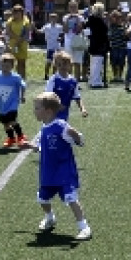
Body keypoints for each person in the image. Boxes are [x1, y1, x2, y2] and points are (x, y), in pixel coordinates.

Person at [30, 91, 92, 240]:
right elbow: (39, 145)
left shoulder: (60, 126)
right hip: (48, 172)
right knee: (42, 199)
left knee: (71, 198)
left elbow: (79, 140)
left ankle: (84, 227)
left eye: (37, 108)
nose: (35, 111)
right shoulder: (44, 128)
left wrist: (76, 135)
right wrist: (28, 145)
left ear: (48, 111)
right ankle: (50, 217)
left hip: (63, 171)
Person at [0, 53, 27, 148]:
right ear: (0, 65)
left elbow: (23, 86)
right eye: (3, 65)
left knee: (12, 120)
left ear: (12, 66)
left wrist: (22, 96)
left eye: (8, 66)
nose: (5, 67)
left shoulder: (16, 77)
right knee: (5, 123)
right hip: (2, 105)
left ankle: (21, 136)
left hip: (13, 104)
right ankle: (11, 138)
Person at [47, 50, 88, 120]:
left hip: (64, 115)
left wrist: (83, 109)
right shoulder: (53, 80)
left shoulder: (73, 81)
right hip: (51, 114)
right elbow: (48, 96)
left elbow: (77, 97)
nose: (62, 67)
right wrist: (57, 105)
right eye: (59, 64)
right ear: (55, 65)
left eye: (65, 64)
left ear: (70, 65)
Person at [4, 4, 31, 78]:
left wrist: (20, 40)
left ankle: (22, 79)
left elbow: (27, 33)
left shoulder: (26, 21)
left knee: (21, 63)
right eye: (15, 12)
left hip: (23, 44)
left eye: (19, 12)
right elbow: (8, 31)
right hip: (12, 44)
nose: (17, 14)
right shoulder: (10, 20)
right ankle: (9, 78)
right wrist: (17, 38)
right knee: (10, 62)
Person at [86, 2, 109, 88]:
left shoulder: (91, 19)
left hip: (93, 42)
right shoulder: (98, 20)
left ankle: (93, 80)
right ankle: (96, 81)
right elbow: (104, 31)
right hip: (99, 43)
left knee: (94, 63)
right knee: (97, 63)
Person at [41, 12, 62, 81]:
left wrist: (60, 38)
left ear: (57, 19)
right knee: (48, 62)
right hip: (50, 47)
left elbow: (62, 35)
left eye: (54, 18)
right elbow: (39, 31)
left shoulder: (59, 27)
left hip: (57, 47)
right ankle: (46, 75)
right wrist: (33, 27)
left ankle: (54, 75)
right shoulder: (46, 26)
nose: (53, 19)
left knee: (56, 62)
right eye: (52, 18)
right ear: (49, 19)